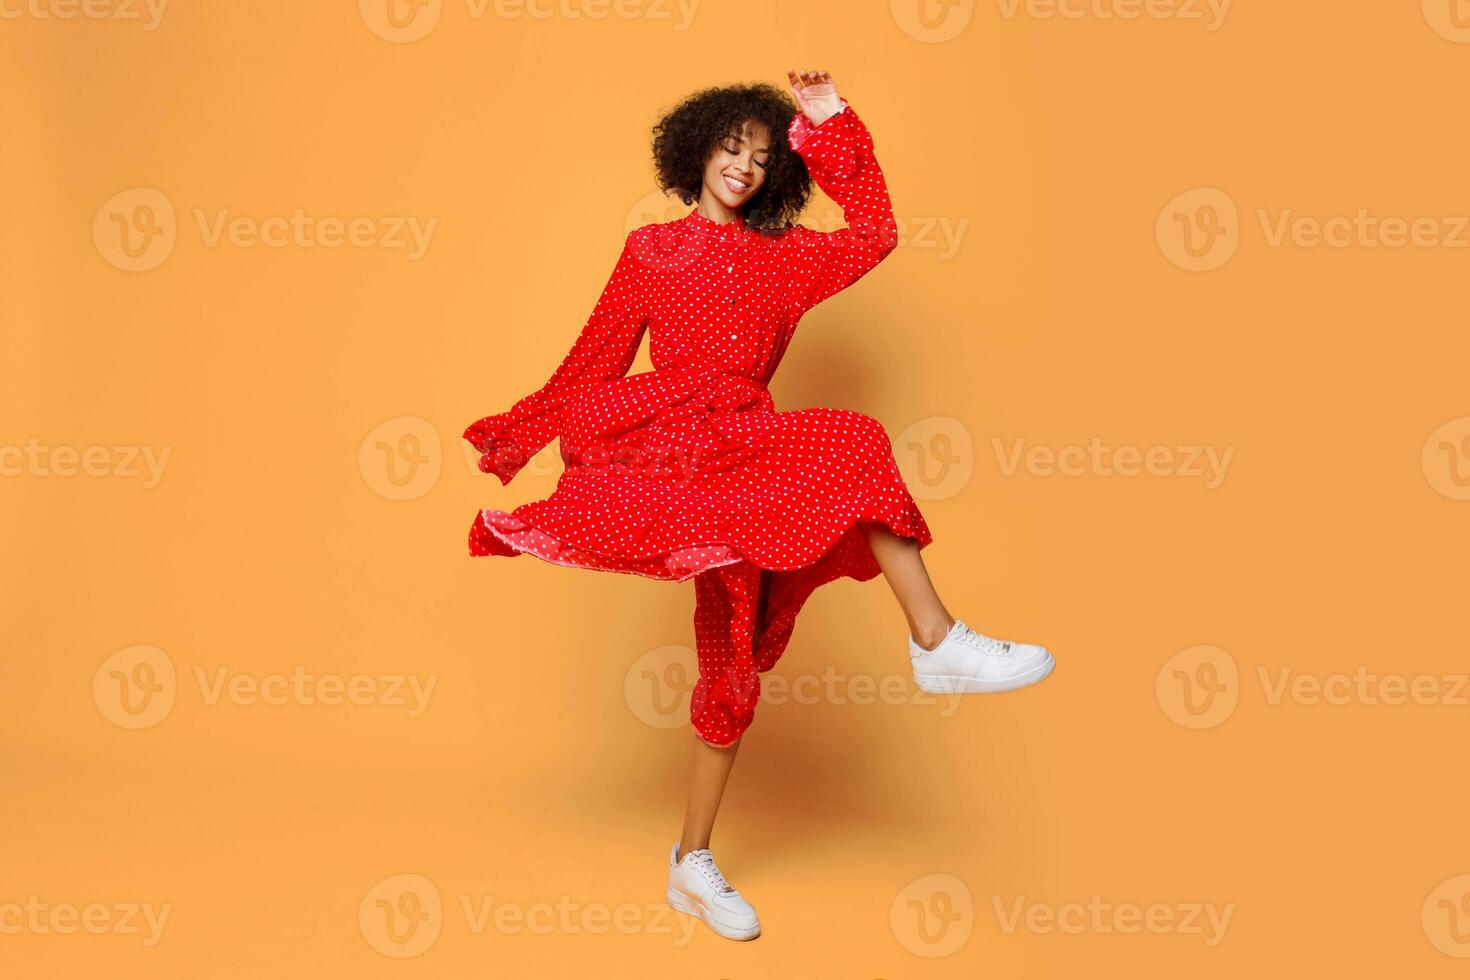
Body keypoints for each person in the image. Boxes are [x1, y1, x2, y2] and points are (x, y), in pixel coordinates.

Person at [463, 69, 1055, 941]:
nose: (743, 164)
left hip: (749, 460)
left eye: (763, 154)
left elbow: (880, 231)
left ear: (778, 172)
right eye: (731, 146)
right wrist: (521, 434)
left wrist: (827, 121)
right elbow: (596, 356)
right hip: (673, 455)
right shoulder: (650, 252)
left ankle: (694, 858)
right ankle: (930, 643)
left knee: (739, 649)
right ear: (697, 150)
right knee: (843, 457)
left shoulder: (787, 261)